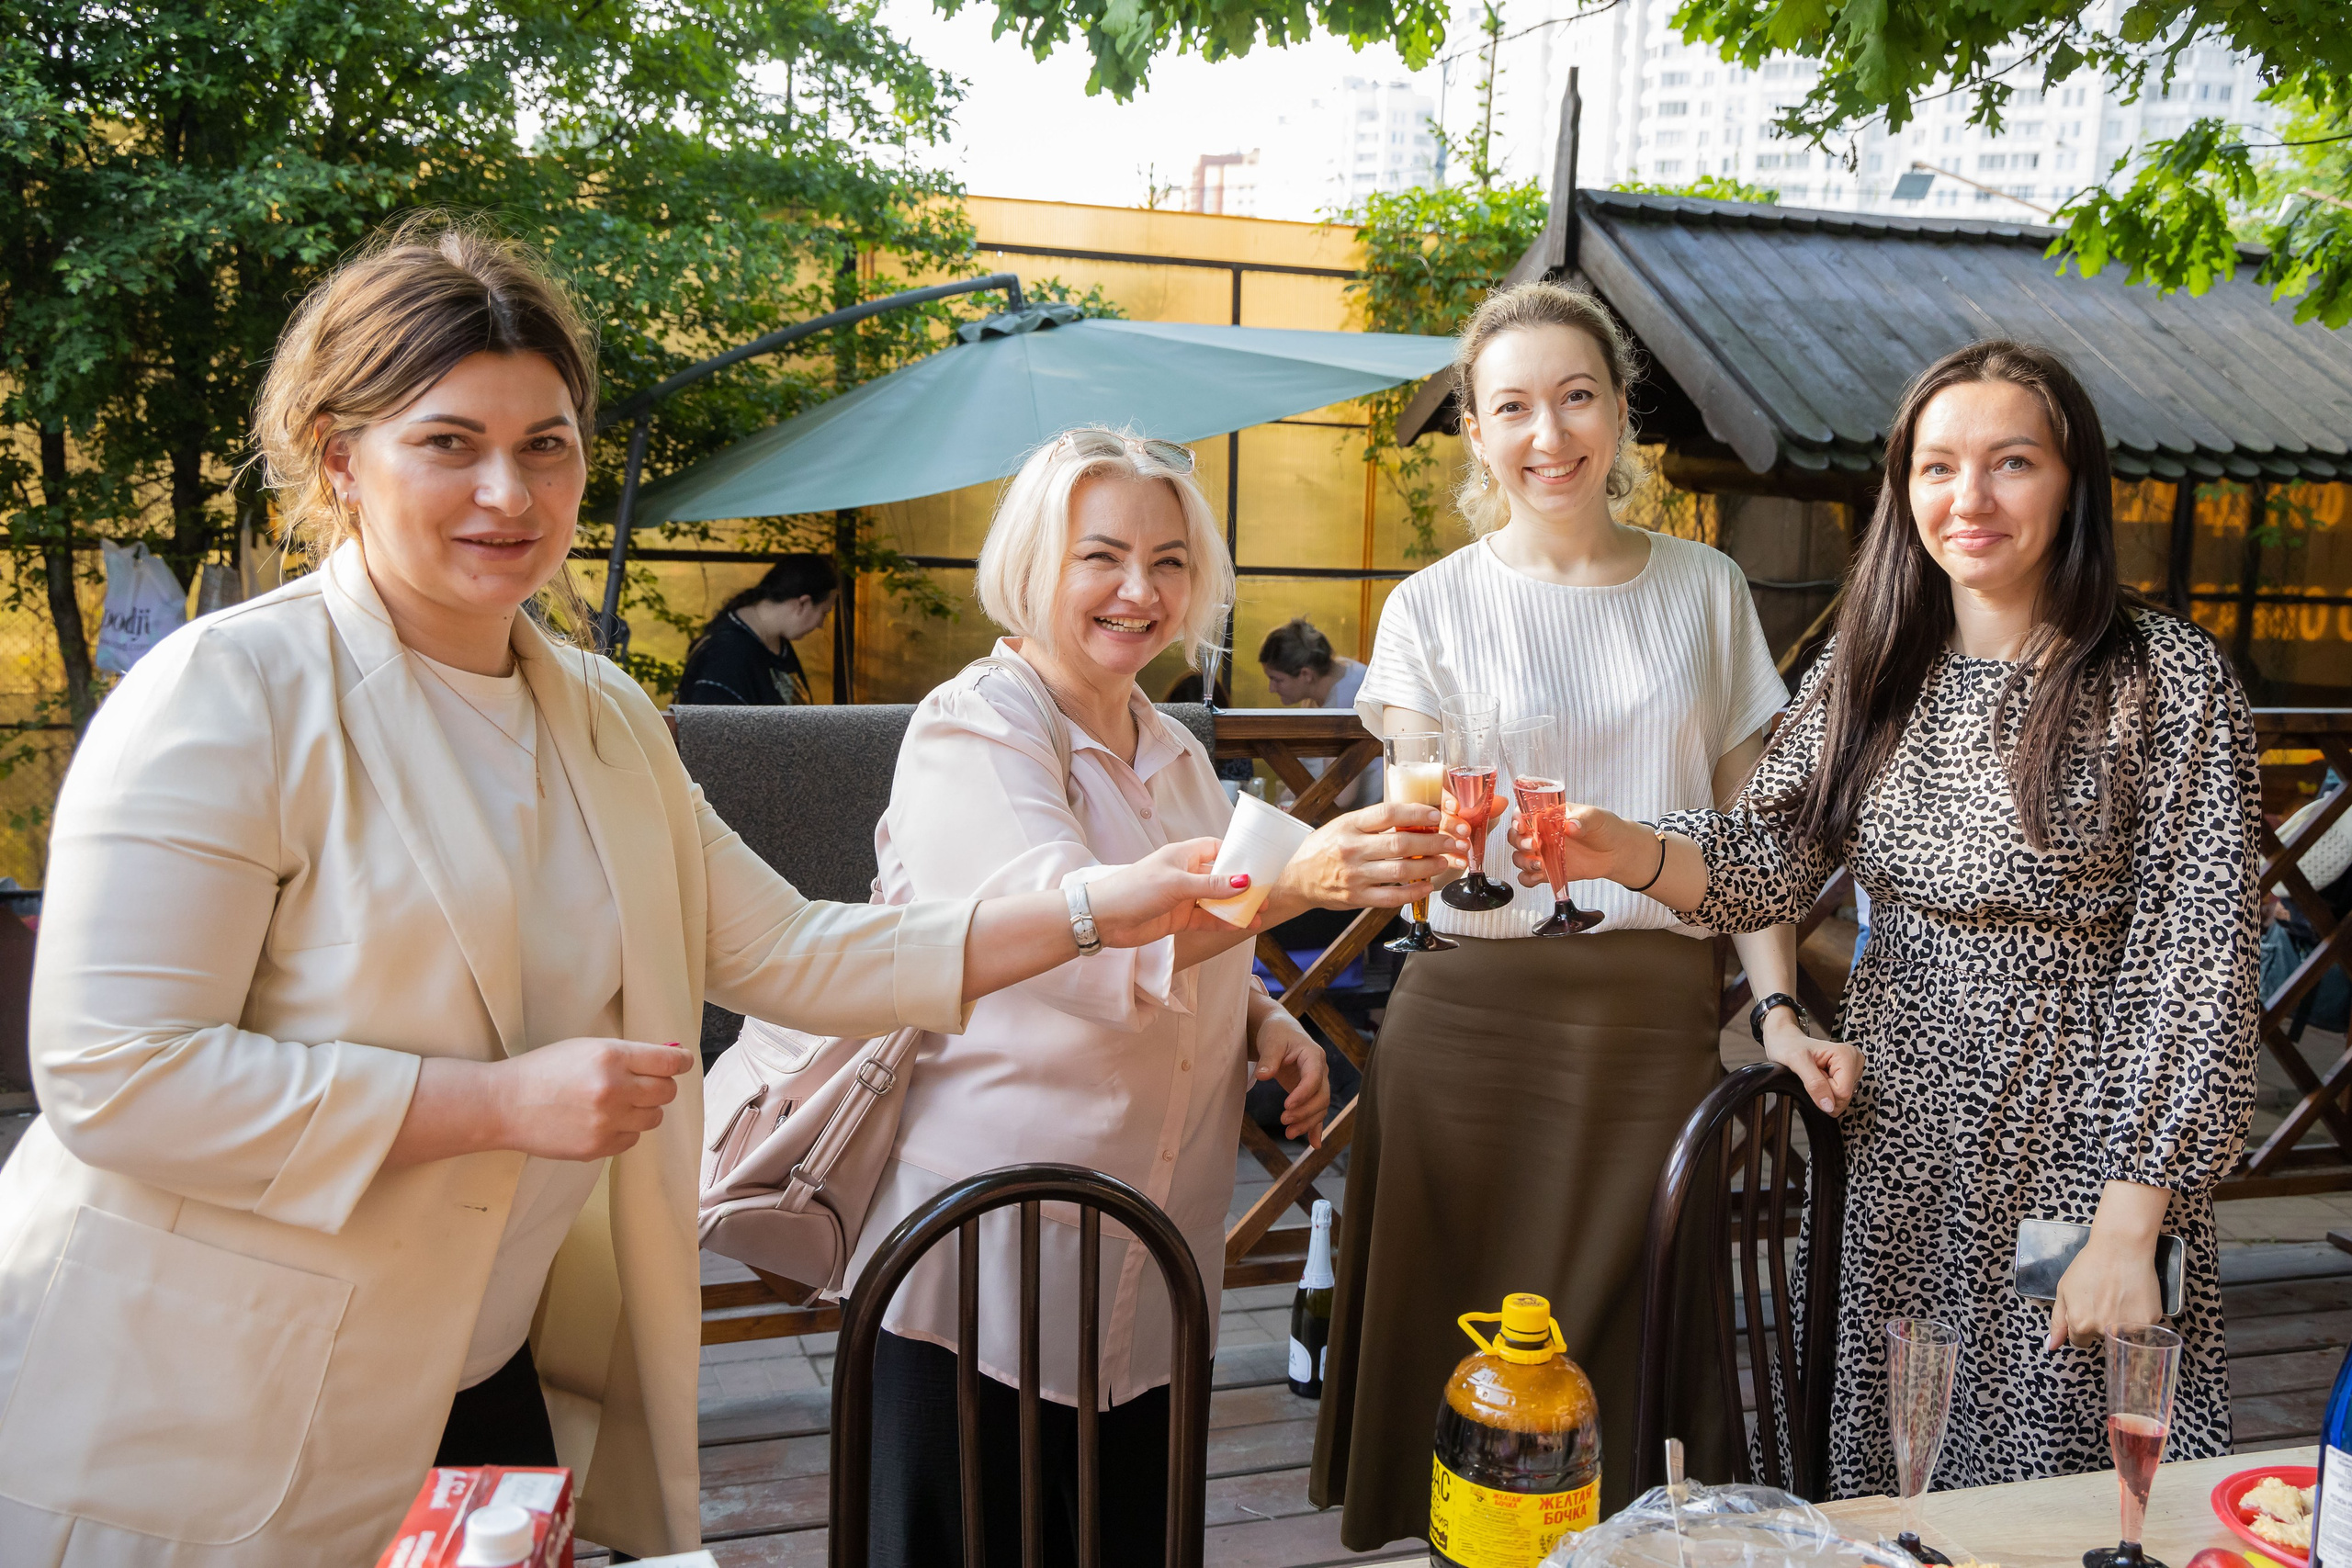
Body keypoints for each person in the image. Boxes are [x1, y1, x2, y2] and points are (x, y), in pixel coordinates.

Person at [0, 222, 1240, 1567]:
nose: (509, 490)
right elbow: (111, 1069)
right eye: (450, 441)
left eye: (546, 443)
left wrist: (1093, 910)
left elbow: (797, 950)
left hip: (481, 1356)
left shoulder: (600, 713)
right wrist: (494, 1102)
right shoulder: (227, 692)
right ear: (339, 456)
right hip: (208, 1389)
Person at [1521, 339, 2261, 1493]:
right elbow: (1768, 852)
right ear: (1901, 486)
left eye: (2010, 463)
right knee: (1898, 1456)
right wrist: (1630, 849)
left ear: (2072, 483)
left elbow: (2196, 958)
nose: (1967, 499)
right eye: (1935, 466)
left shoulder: (2161, 677)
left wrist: (2129, 1222)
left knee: (2059, 1459)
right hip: (1900, 1144)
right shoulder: (1874, 664)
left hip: (2082, 1155)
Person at [853, 428, 1461, 1567]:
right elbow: (1058, 936)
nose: (1140, 590)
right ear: (1033, 562)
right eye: (1102, 557)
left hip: (1152, 1244)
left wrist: (1265, 1022)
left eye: (1170, 561)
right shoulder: (975, 726)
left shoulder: (1170, 747)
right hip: (997, 1253)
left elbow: (1196, 932)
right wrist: (1296, 886)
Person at [1310, 281, 1823, 1540]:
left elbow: (1750, 836)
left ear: (1620, 411)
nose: (1550, 432)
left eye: (1576, 395)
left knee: (1638, 1331)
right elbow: (1413, 831)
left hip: (1647, 1016)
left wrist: (1774, 1001)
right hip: (1468, 1020)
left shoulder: (1704, 589)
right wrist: (1424, 843)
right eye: (1513, 407)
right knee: (1463, 1349)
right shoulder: (1430, 603)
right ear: (1477, 436)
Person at [675, 552, 837, 705]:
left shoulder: (776, 642)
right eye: (824, 612)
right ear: (803, 603)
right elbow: (712, 729)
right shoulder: (727, 654)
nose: (821, 624)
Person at [1261, 616, 1378, 808]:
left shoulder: (1344, 704)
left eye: (1277, 679)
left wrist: (1293, 813)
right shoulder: (1339, 674)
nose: (1271, 688)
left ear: (1306, 674)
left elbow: (1342, 796)